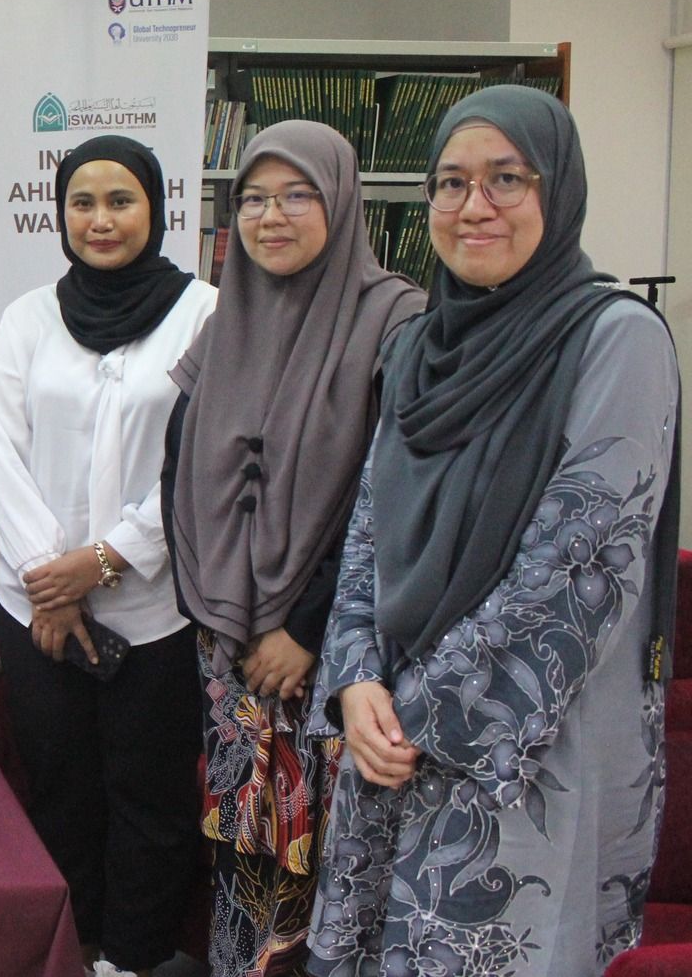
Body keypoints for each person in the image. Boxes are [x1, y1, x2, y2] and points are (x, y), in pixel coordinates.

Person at [305, 86, 679, 975]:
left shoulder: (617, 340)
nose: (474, 206)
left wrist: (410, 713)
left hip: (533, 746)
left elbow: (579, 565)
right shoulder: (417, 348)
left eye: (507, 179)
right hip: (389, 734)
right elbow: (369, 532)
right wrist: (355, 681)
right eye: (451, 182)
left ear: (559, 190)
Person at [162, 121, 425, 977]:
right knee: (242, 858)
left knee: (329, 863)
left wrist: (305, 626)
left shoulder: (395, 321)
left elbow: (387, 497)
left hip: (334, 659)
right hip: (227, 647)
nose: (270, 217)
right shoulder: (225, 320)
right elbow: (180, 468)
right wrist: (212, 604)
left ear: (341, 200)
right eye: (252, 199)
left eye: (296, 195)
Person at [0, 134, 217, 977]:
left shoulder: (207, 314)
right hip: (36, 607)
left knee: (151, 796)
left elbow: (205, 460)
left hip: (156, 606)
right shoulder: (28, 317)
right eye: (82, 202)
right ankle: (70, 954)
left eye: (120, 201)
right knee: (61, 786)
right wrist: (53, 581)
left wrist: (107, 559)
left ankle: (137, 959)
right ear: (60, 213)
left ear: (157, 209)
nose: (100, 219)